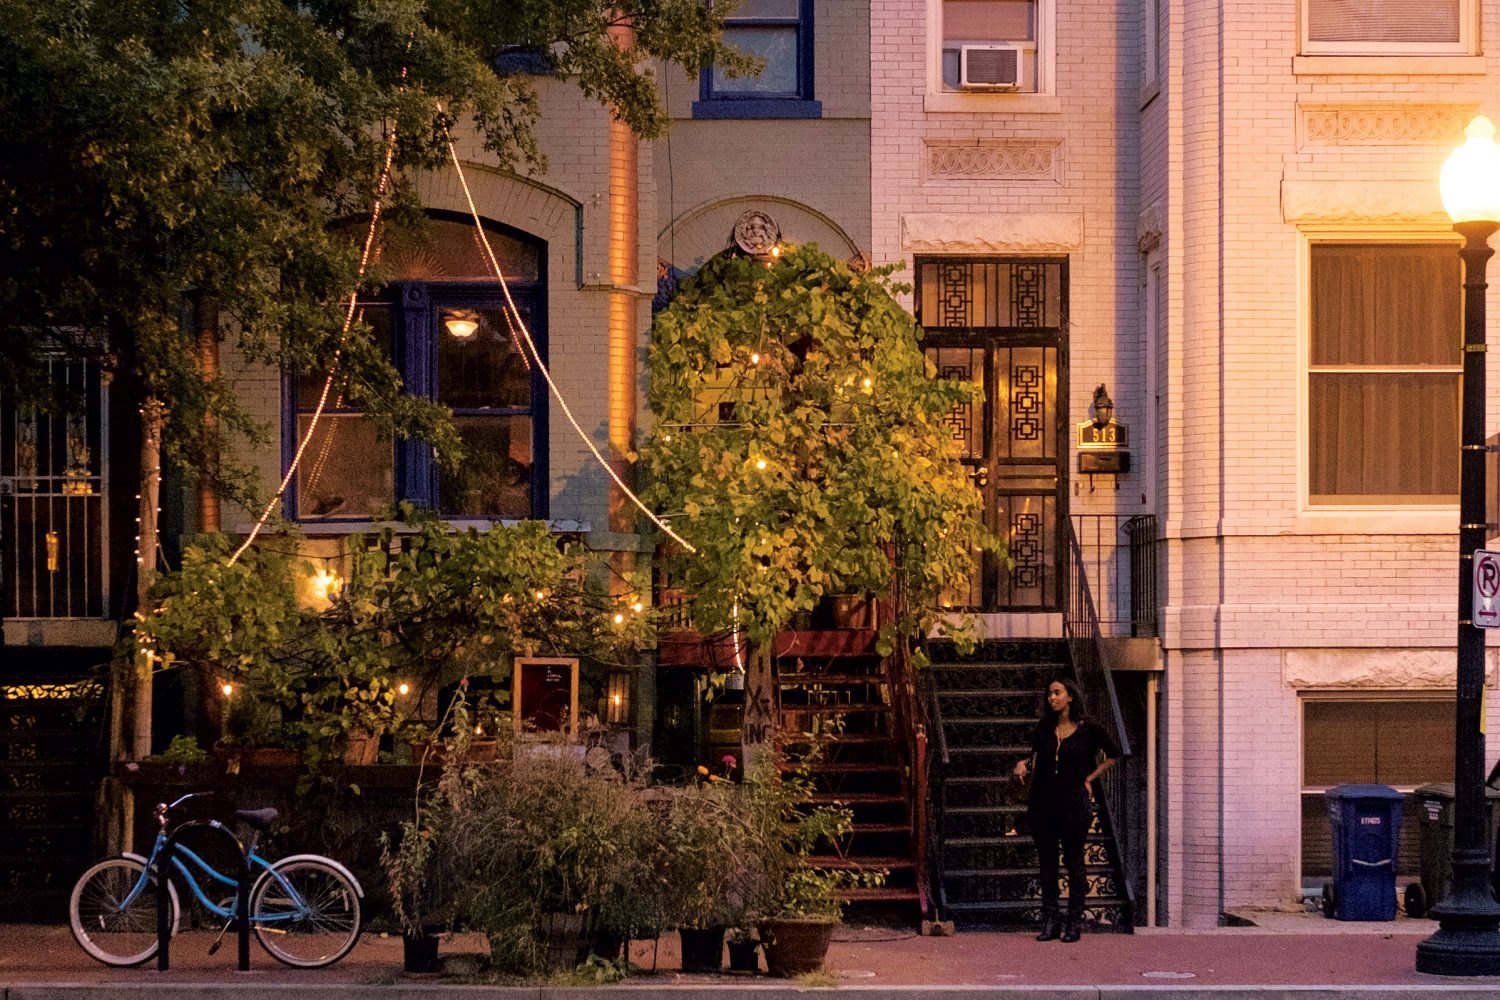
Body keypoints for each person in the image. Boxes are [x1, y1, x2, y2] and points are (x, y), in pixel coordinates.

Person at [1011, 677, 1119, 942]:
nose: (1052, 698)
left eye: (1057, 693)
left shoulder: (1088, 728)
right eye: (1049, 694)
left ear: (1070, 696)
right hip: (1042, 804)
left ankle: (1074, 922)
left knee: (1074, 863)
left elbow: (1115, 754)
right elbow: (1034, 755)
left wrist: (1090, 778)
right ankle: (1051, 921)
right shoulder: (1044, 728)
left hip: (1074, 804)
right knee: (1047, 865)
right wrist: (1022, 763)